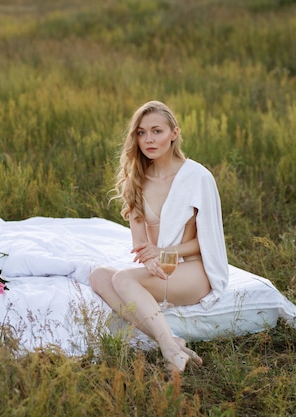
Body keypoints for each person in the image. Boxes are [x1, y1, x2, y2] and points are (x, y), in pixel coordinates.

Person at [89, 100, 229, 373]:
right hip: (161, 268)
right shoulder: (138, 179)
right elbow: (140, 243)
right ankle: (171, 341)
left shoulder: (198, 177)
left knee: (122, 278)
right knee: (98, 276)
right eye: (141, 133)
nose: (148, 140)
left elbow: (209, 242)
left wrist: (165, 254)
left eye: (157, 131)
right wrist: (149, 260)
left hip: (192, 270)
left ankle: (168, 350)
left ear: (174, 133)